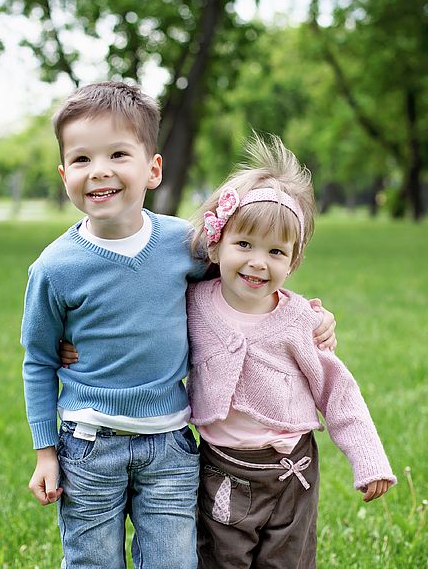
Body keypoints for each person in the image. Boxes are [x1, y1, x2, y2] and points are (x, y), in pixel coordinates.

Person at [21, 81, 336, 569]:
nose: (100, 171)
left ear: (153, 169)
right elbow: (38, 359)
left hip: (170, 445)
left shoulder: (181, 245)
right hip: (88, 446)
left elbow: (247, 279)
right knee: (93, 562)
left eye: (118, 155)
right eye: (82, 160)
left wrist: (311, 316)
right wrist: (45, 451)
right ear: (64, 174)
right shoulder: (54, 268)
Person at [186, 133, 396, 569]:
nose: (258, 262)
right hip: (221, 468)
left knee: (288, 561)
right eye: (243, 245)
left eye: (276, 251)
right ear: (217, 243)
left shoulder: (301, 322)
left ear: (293, 260)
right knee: (220, 559)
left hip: (291, 472)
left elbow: (337, 392)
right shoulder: (193, 304)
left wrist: (369, 459)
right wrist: (76, 345)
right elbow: (139, 328)